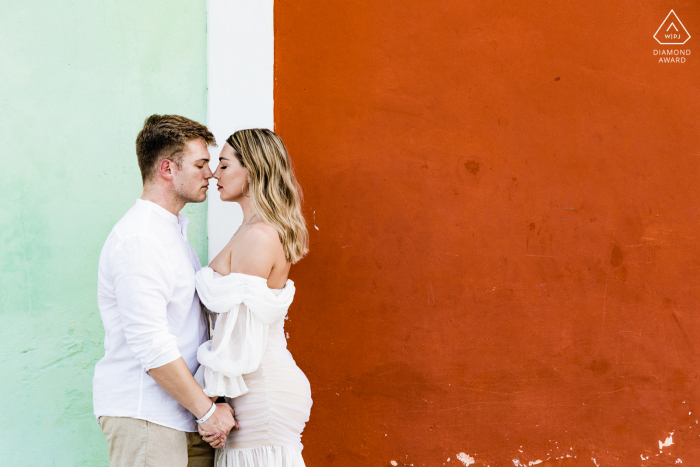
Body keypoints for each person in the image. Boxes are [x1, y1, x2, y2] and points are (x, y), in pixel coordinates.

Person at [93, 114, 237, 467]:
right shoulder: (141, 237)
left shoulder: (169, 233)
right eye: (201, 164)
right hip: (148, 417)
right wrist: (206, 412)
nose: (211, 173)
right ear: (168, 169)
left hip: (181, 416)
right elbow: (149, 341)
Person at [194, 129, 313, 466]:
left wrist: (204, 405)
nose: (215, 173)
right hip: (249, 384)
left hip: (260, 390)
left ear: (252, 171)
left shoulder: (259, 236)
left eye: (224, 164)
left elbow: (237, 333)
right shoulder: (252, 230)